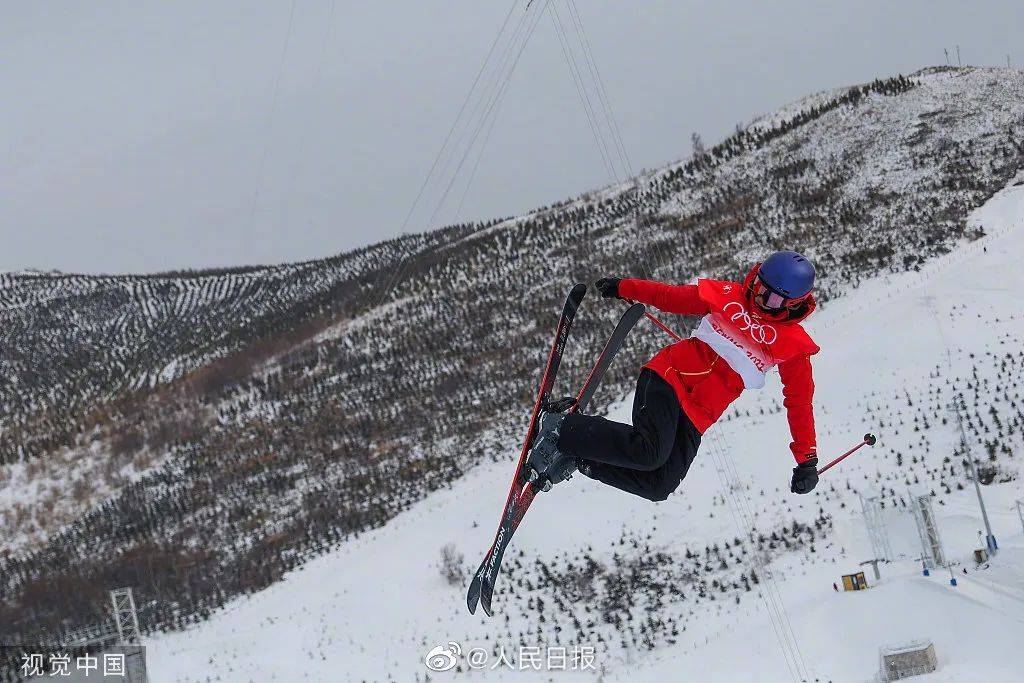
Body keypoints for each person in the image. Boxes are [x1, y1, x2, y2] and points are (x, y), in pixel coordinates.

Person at [525, 250, 821, 501]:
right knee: (648, 452)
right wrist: (625, 286)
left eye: (770, 299)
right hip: (669, 378)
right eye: (757, 286)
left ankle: (578, 456)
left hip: (698, 415)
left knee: (659, 484)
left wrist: (806, 460)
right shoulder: (729, 296)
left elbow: (799, 404)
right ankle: (562, 428)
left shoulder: (794, 347)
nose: (758, 299)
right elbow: (670, 297)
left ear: (793, 303)